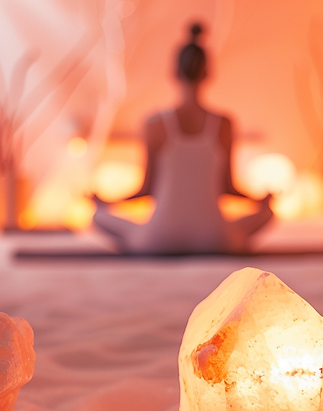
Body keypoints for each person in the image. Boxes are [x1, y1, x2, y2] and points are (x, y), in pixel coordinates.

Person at [92, 23, 272, 254]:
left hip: (159, 239)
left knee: (99, 217)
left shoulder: (155, 124)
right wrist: (262, 201)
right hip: (214, 239)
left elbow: (146, 190)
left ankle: (107, 215)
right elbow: (229, 188)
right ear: (208, 73)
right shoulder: (224, 124)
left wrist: (105, 203)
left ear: (174, 72)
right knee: (267, 215)